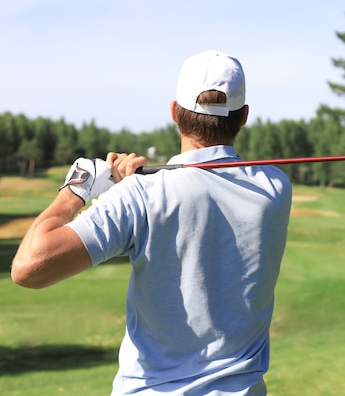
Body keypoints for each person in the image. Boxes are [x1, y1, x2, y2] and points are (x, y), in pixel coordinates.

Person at [11, 50, 293, 395]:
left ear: (174, 112)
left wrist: (77, 189)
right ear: (244, 116)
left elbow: (29, 268)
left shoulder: (141, 195)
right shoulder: (276, 187)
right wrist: (134, 189)